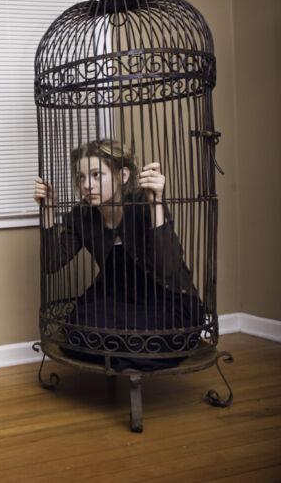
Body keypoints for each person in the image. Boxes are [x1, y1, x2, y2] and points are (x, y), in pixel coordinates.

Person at [33, 139, 202, 370]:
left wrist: (156, 204)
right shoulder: (82, 215)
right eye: (81, 177)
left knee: (154, 331)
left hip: (165, 297)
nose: (87, 185)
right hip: (117, 296)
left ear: (122, 175)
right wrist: (48, 211)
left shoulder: (144, 202)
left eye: (96, 175)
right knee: (82, 324)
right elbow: (52, 263)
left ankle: (118, 354)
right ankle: (129, 355)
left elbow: (167, 267)